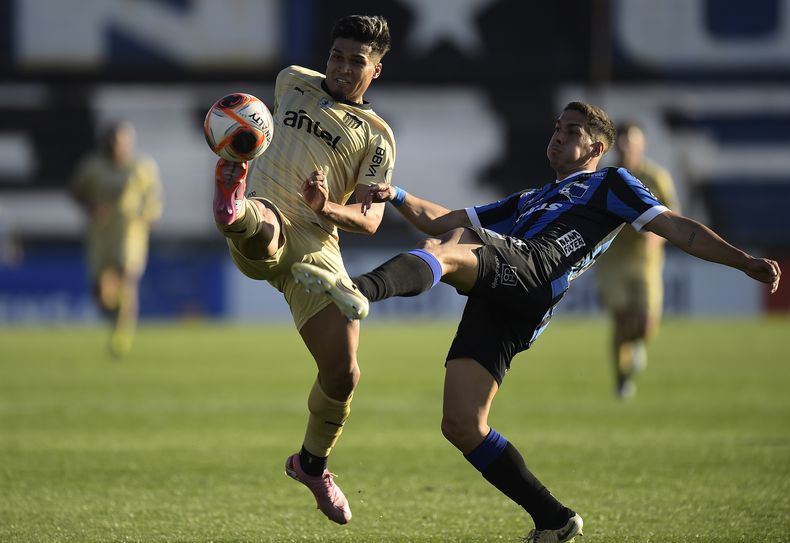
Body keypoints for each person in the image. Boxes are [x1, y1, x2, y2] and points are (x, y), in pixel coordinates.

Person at [290, 101, 781, 542]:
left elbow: (680, 229)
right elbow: (440, 217)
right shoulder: (530, 198)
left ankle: (357, 289)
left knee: (450, 250)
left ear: (597, 146)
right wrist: (394, 194)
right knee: (462, 424)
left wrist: (743, 261)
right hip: (504, 302)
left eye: (572, 130)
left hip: (534, 269)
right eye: (557, 128)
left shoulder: (611, 183)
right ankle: (553, 518)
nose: (559, 135)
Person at [211, 15, 394, 524]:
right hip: (270, 210)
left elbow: (371, 217)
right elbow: (260, 123)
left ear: (376, 70)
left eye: (356, 61)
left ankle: (312, 465)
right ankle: (233, 205)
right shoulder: (291, 80)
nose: (340, 68)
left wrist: (326, 206)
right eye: (336, 56)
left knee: (344, 374)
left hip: (319, 244)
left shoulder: (377, 137)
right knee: (263, 226)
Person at [595, 121, 681, 399]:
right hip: (613, 261)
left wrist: (655, 237)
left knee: (644, 326)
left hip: (646, 262)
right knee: (621, 320)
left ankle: (634, 345)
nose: (625, 148)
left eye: (630, 143)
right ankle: (621, 378)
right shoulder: (604, 177)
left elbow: (673, 220)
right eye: (620, 143)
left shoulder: (656, 178)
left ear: (641, 145)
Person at [71, 120, 163, 358]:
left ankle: (122, 335)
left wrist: (147, 215)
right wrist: (90, 206)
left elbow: (153, 198)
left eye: (120, 141)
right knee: (101, 293)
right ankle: (115, 315)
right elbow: (76, 191)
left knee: (126, 282)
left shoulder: (141, 167)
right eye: (112, 141)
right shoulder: (92, 167)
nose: (116, 146)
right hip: (101, 236)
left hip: (130, 235)